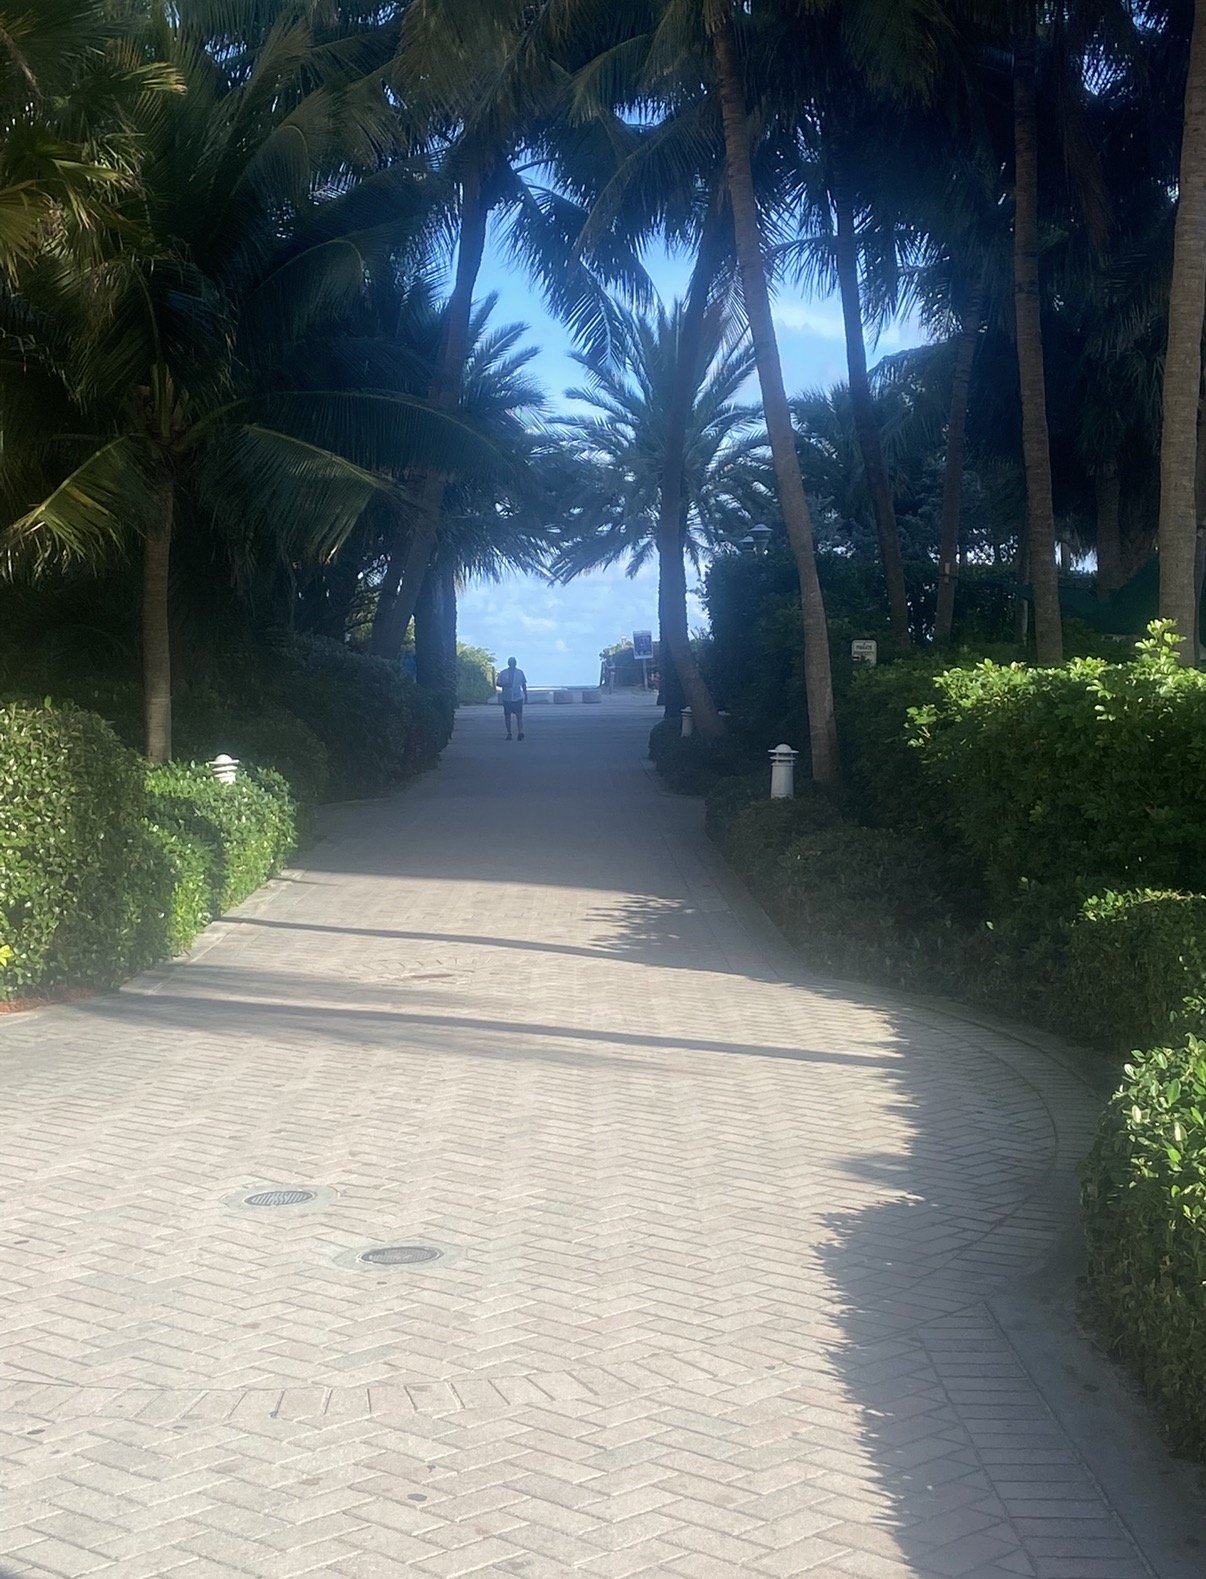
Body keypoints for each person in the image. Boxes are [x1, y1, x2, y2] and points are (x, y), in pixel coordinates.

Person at [497, 656, 528, 740]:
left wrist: (525, 695)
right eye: (511, 662)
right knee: (507, 716)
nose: (512, 664)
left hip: (517, 697)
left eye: (513, 662)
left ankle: (520, 732)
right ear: (508, 663)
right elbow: (498, 683)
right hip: (507, 697)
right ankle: (509, 733)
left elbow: (523, 684)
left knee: (519, 715)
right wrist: (505, 685)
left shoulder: (520, 672)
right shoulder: (503, 673)